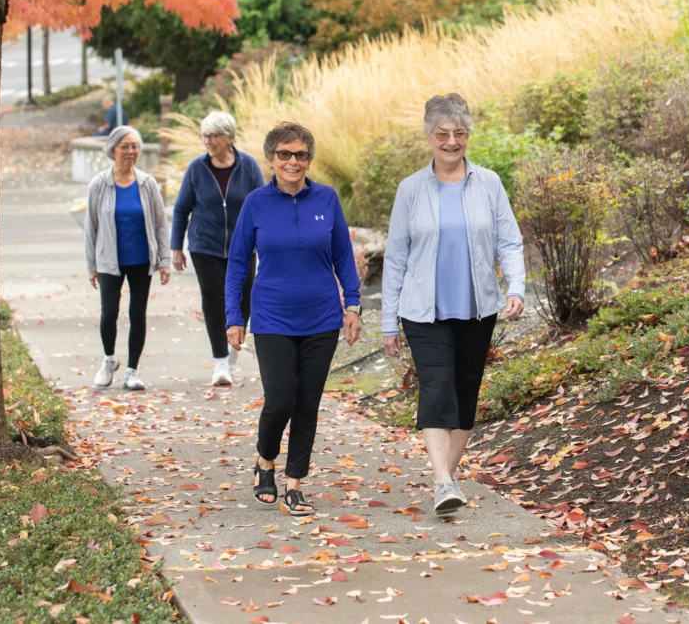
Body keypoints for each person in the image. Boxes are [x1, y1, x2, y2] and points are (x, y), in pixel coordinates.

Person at [381, 93, 526, 515]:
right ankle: (443, 480)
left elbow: (509, 241)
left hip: (477, 307)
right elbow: (396, 259)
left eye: (459, 133)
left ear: (468, 136)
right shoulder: (410, 190)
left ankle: (446, 481)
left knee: (465, 393)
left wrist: (515, 287)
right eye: (442, 134)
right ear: (429, 136)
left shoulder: (489, 183)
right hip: (422, 310)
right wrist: (389, 322)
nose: (451, 142)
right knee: (438, 385)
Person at [225, 122, 362, 515]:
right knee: (281, 399)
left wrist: (352, 306)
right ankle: (265, 459)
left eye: (300, 154)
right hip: (272, 319)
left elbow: (342, 257)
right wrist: (234, 316)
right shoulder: (256, 203)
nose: (293, 161)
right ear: (271, 158)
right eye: (284, 154)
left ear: (309, 159)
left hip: (321, 318)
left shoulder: (327, 199)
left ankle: (295, 483)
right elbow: (238, 264)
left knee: (307, 403)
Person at [171, 112, 265, 386]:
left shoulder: (248, 166)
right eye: (205, 136)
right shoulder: (196, 169)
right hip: (205, 247)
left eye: (213, 136)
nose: (208, 141)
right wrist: (176, 247)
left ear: (229, 137)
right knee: (214, 303)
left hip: (243, 247)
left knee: (243, 300)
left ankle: (232, 354)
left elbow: (262, 205)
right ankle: (220, 362)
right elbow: (181, 209)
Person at [85, 126, 171, 390]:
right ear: (113, 150)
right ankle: (109, 360)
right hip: (109, 259)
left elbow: (160, 224)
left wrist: (164, 260)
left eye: (135, 146)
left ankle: (132, 370)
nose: (131, 151)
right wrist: (92, 266)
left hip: (141, 260)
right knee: (109, 312)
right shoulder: (99, 184)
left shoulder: (147, 184)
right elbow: (91, 226)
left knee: (137, 314)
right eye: (126, 146)